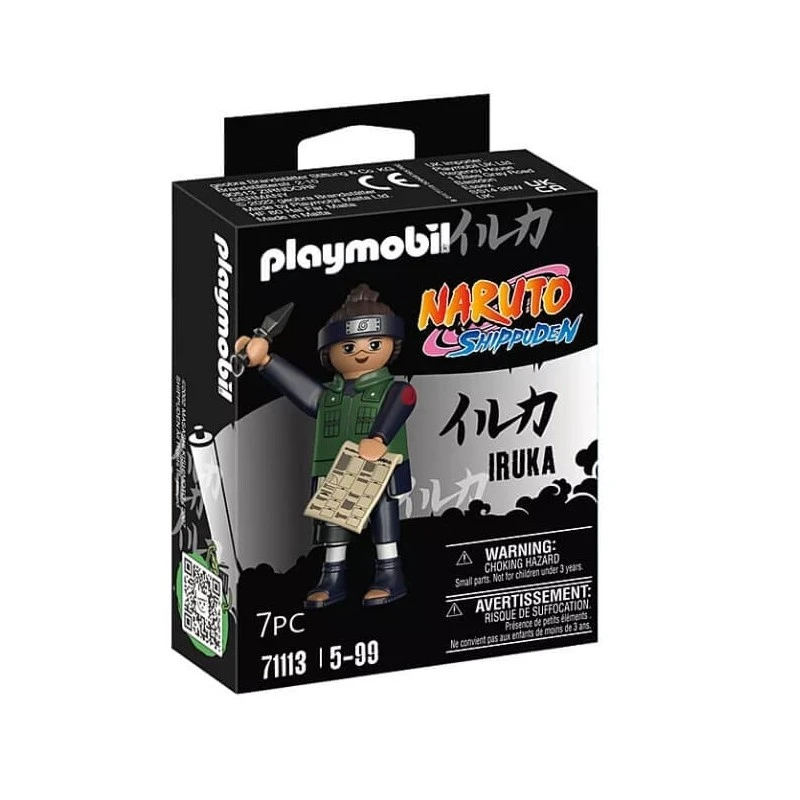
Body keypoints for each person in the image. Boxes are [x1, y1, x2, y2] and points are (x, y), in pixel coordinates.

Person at [235, 284, 416, 608]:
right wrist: (266, 362)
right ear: (328, 351)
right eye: (348, 346)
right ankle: (332, 577)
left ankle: (390, 573)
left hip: (379, 468)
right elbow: (303, 392)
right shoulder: (329, 396)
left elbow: (403, 401)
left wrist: (379, 437)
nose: (361, 352)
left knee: (383, 517)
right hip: (335, 468)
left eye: (374, 343)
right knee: (333, 521)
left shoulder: (392, 388)